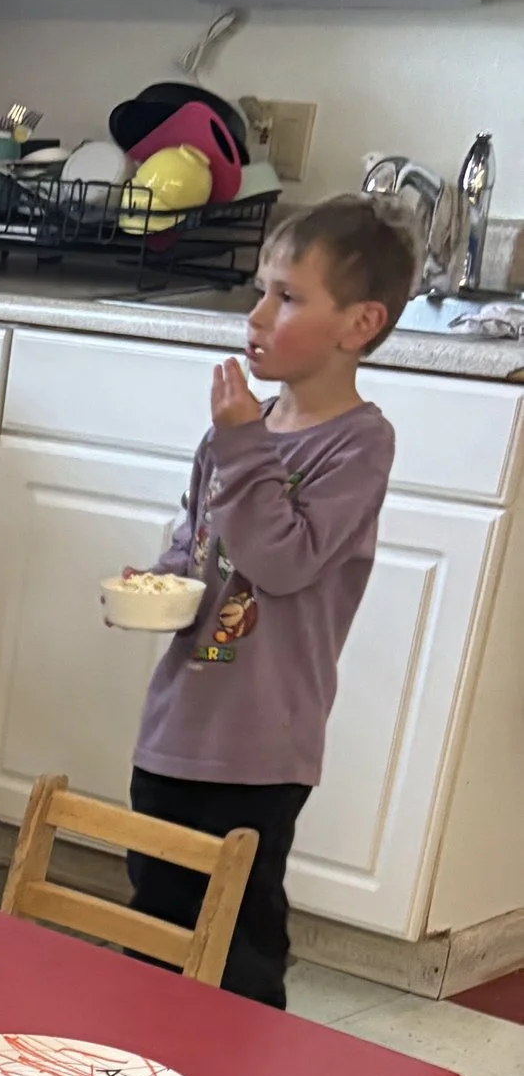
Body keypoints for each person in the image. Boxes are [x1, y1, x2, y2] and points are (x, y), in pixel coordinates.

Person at [124, 195, 416, 1006]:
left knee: (238, 944)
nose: (256, 317)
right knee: (157, 923)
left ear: (359, 324)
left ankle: (242, 1073)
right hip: (177, 726)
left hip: (260, 748)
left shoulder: (357, 443)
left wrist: (243, 443)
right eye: (260, 291)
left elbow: (280, 561)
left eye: (287, 297)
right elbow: (199, 540)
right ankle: (146, 1060)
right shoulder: (238, 430)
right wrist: (157, 582)